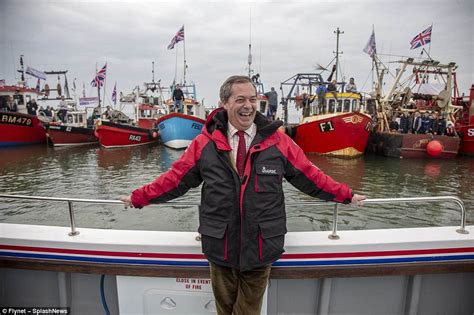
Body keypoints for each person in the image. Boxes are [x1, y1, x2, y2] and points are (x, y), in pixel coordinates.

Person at [121, 75, 366, 315]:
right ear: (224, 103)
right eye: (240, 100)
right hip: (220, 245)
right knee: (224, 309)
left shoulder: (278, 141)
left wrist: (345, 194)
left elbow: (309, 176)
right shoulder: (204, 143)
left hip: (261, 246)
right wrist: (139, 197)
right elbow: (175, 179)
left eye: (252, 99)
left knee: (247, 311)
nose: (248, 106)